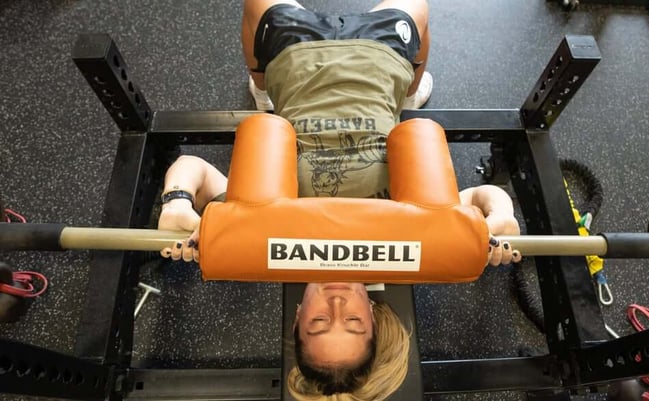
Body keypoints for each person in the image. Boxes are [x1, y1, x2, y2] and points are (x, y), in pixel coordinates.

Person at [157, 0, 522, 399]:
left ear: (297, 318)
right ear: (373, 317)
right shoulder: (409, 244)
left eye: (318, 323)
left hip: (295, 60)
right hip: (380, 62)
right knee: (418, 6)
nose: (336, 304)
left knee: (255, 4)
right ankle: (409, 97)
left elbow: (193, 168)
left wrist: (177, 202)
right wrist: (500, 214)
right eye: (352, 322)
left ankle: (262, 92)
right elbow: (482, 196)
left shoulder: (269, 240)